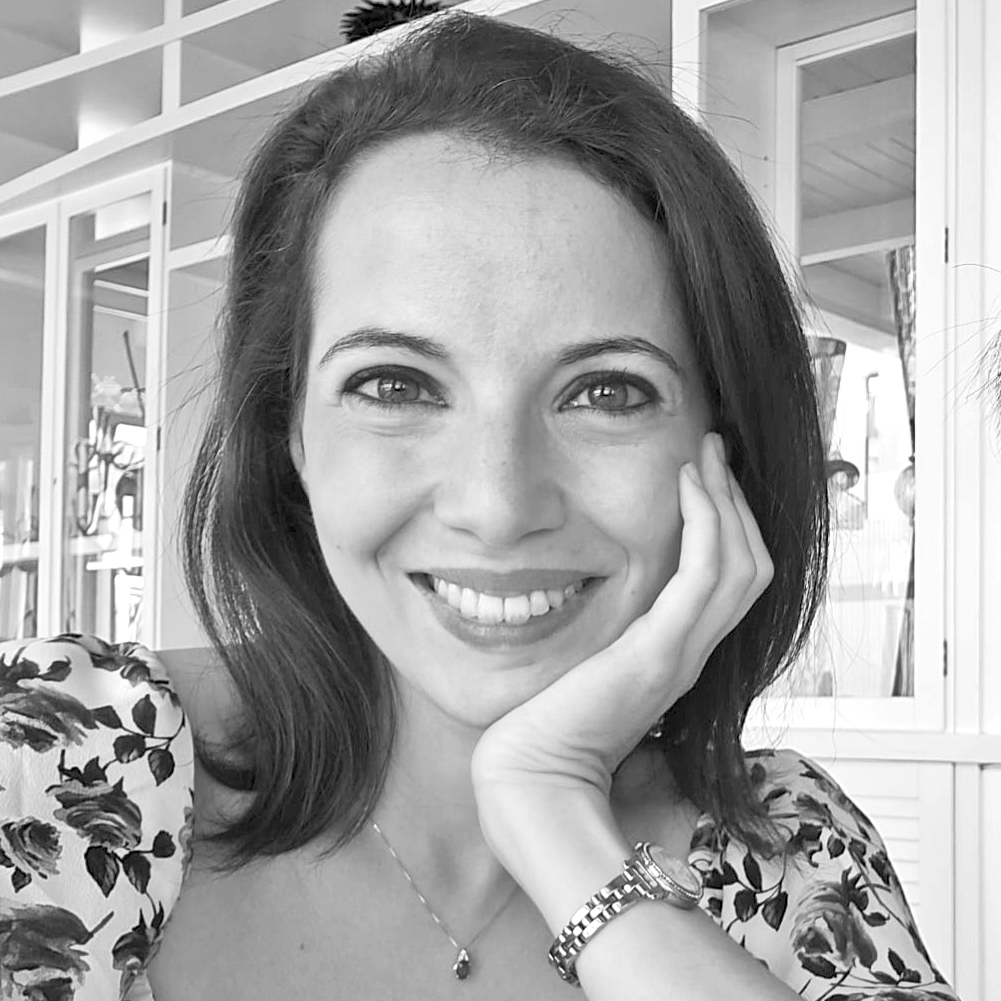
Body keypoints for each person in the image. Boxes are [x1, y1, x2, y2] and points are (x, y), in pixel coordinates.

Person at [0, 11, 960, 1001]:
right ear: (291, 434)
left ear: (722, 446)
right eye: (393, 385)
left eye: (605, 392)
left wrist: (553, 808)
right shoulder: (55, 755)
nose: (497, 505)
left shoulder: (796, 856)